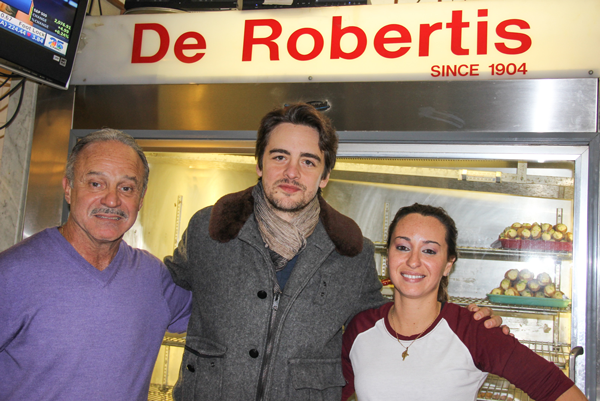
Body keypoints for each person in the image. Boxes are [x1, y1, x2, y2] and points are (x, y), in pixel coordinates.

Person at [164, 103, 505, 400]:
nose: (291, 172)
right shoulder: (209, 230)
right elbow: (161, 291)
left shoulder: (352, 253)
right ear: (259, 163)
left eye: (309, 162)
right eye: (279, 156)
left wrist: (466, 326)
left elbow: (389, 325)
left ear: (325, 175)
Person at [0, 129, 192, 401]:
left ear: (141, 197)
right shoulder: (11, 273)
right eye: (95, 184)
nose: (112, 201)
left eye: (126, 188)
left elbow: (220, 316)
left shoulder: (153, 278)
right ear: (68, 188)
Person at [341, 203, 587, 401]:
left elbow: (557, 390)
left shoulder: (476, 330)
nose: (413, 261)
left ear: (448, 264)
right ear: (388, 255)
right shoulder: (361, 329)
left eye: (429, 251)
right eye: (403, 247)